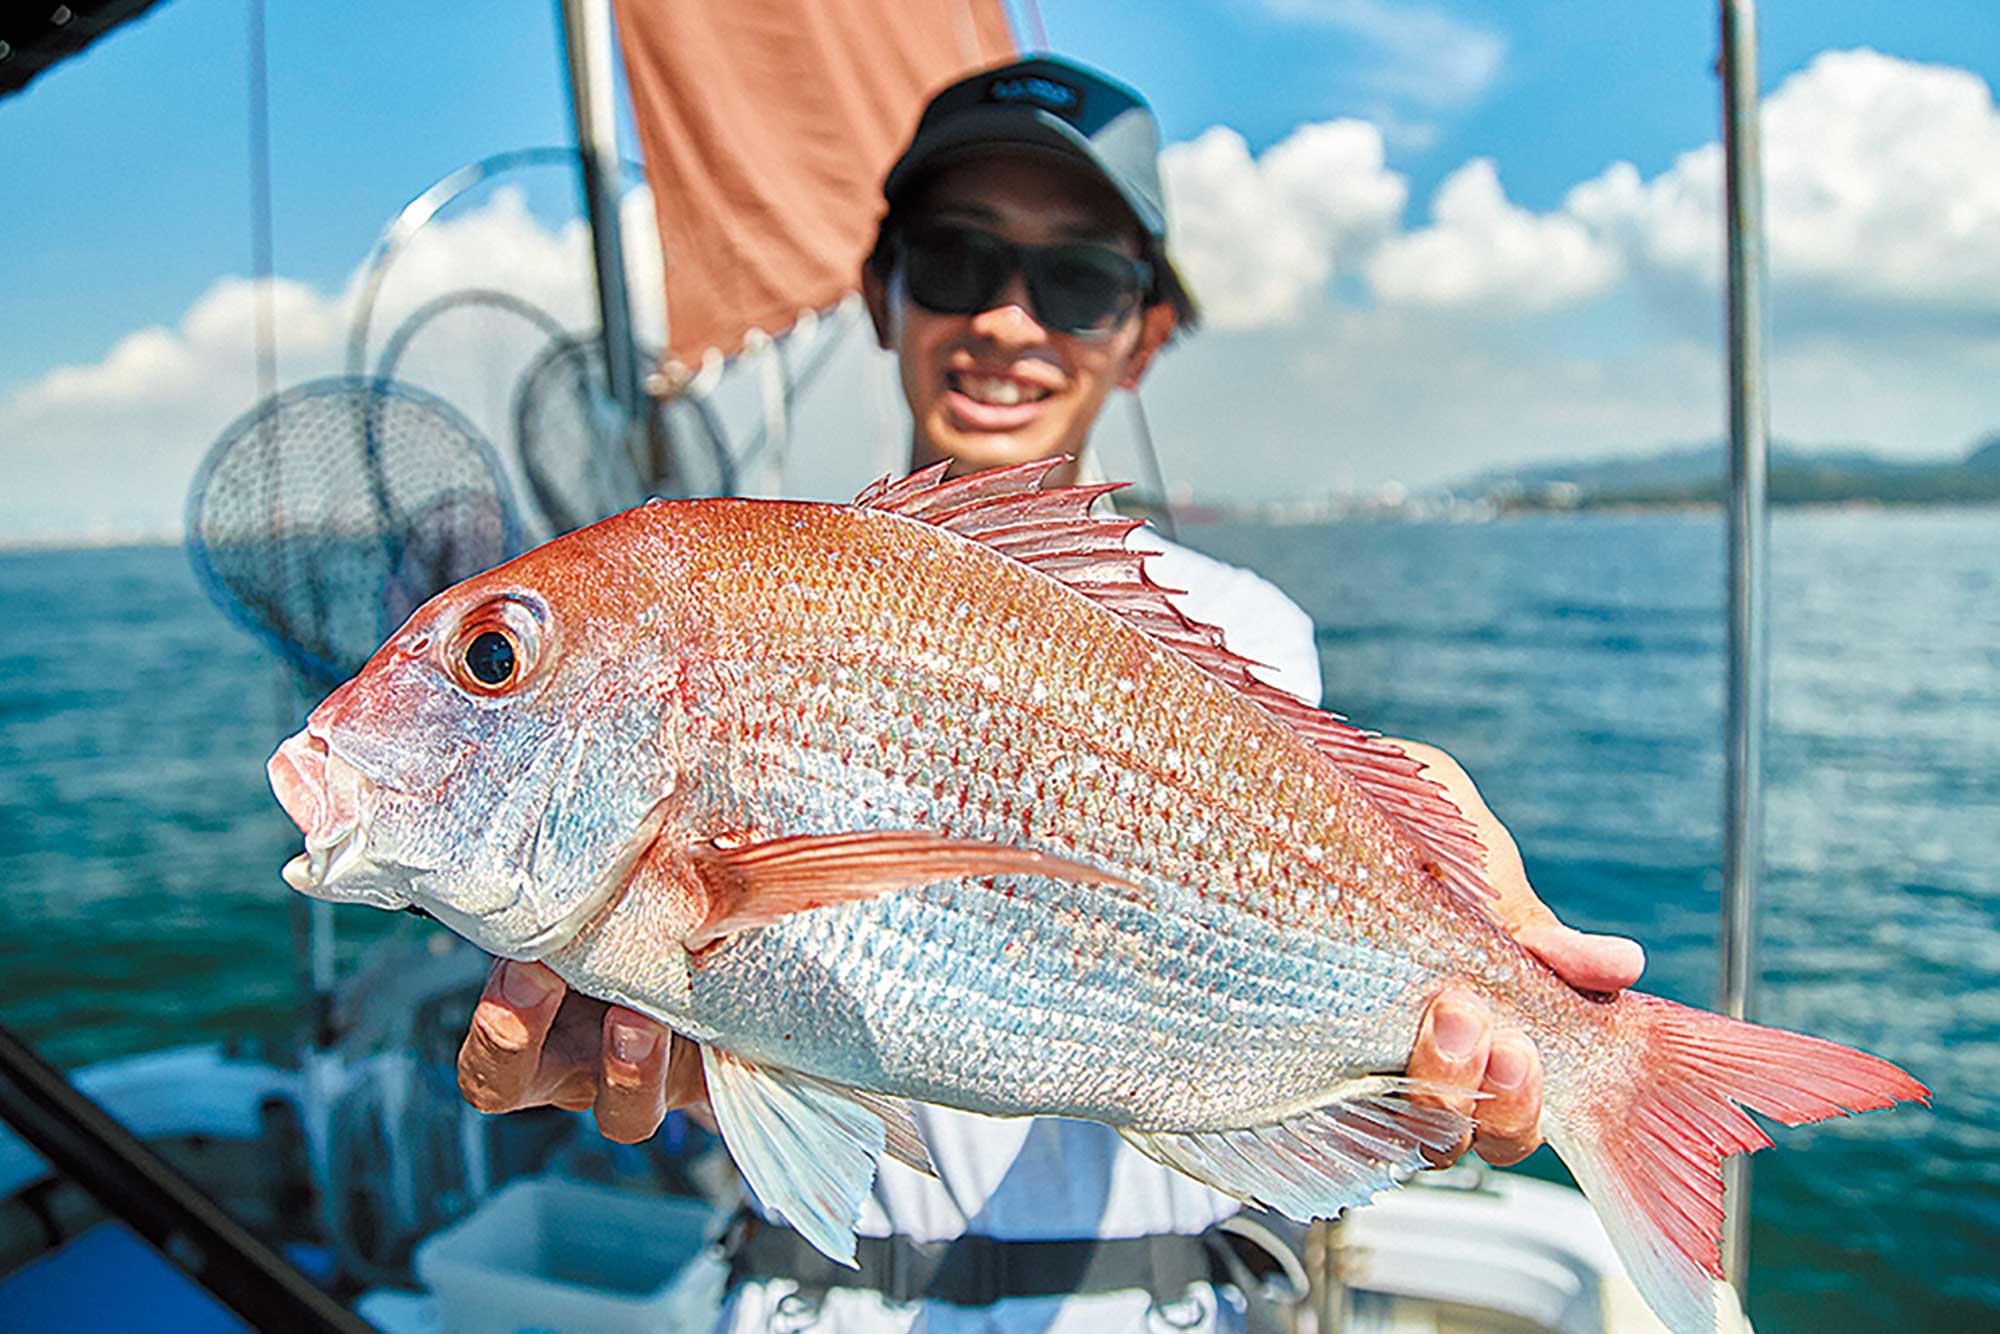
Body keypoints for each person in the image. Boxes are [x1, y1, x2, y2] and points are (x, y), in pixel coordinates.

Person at [454, 54, 1646, 1332]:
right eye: (956, 261)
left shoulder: (1244, 632)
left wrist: (1452, 905)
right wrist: (655, 1003)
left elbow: (1317, 862)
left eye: (1078, 282)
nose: (1011, 322)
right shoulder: (758, 592)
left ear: (1144, 336)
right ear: (881, 292)